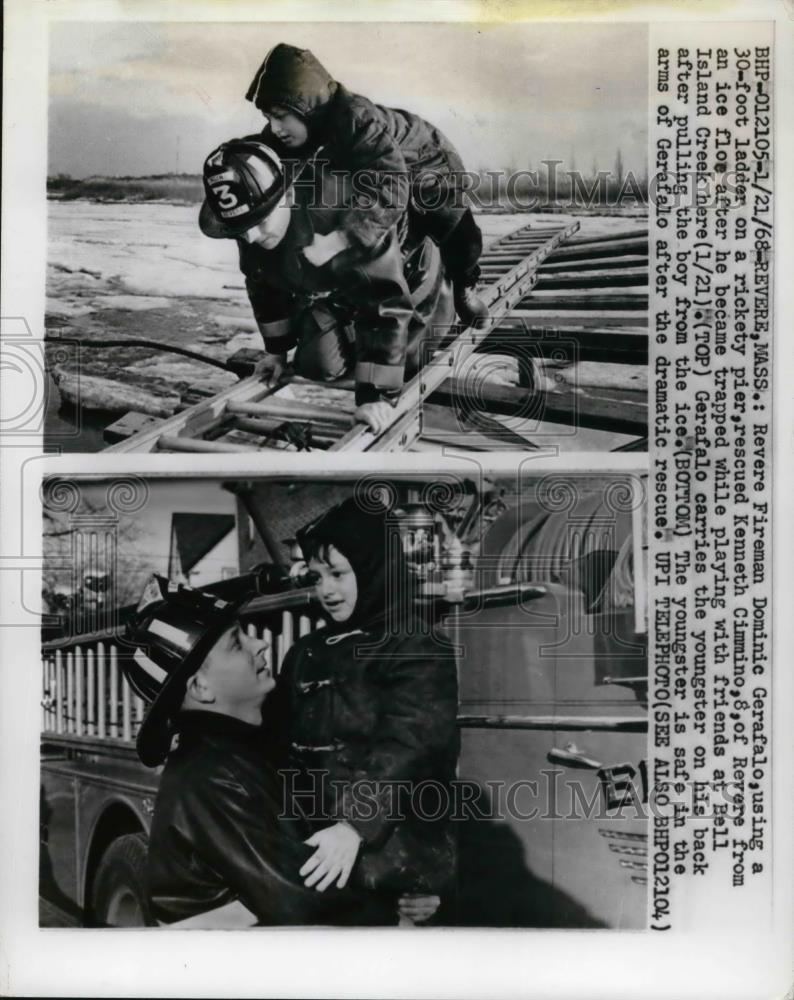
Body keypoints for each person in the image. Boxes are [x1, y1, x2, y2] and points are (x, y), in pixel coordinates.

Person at [122, 575, 438, 926]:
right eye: (236, 643)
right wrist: (393, 914)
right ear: (201, 687)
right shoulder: (216, 776)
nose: (258, 644)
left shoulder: (239, 752)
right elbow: (301, 898)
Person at [262, 497, 460, 912]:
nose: (326, 590)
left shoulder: (416, 645)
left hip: (388, 859)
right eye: (317, 577)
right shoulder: (305, 651)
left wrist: (354, 825)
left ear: (375, 566)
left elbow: (411, 743)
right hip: (311, 852)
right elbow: (274, 740)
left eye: (338, 573)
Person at [245, 43, 487, 330]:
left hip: (427, 164)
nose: (275, 128)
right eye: (268, 118)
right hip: (373, 171)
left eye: (280, 116)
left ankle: (464, 287)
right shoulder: (290, 130)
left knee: (460, 236)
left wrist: (340, 239)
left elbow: (390, 187)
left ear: (306, 105)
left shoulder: (357, 120)